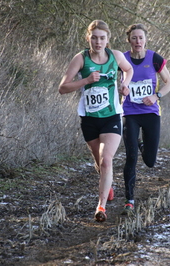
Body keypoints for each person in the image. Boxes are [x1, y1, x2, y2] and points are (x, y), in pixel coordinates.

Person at [58, 20, 133, 222]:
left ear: (108, 39)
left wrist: (124, 84)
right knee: (99, 163)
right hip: (89, 118)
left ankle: (101, 206)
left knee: (106, 160)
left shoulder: (115, 56)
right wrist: (86, 80)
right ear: (88, 38)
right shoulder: (81, 59)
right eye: (94, 37)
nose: (98, 42)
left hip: (111, 117)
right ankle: (107, 185)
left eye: (102, 38)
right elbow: (63, 88)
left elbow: (129, 70)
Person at [121, 23, 170, 214]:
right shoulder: (122, 59)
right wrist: (120, 89)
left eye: (140, 38)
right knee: (131, 156)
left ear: (145, 40)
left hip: (151, 113)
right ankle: (129, 199)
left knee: (150, 161)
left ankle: (142, 144)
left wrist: (156, 96)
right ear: (129, 40)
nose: (137, 41)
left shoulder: (154, 58)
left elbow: (169, 83)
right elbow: (112, 80)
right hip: (129, 113)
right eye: (134, 38)